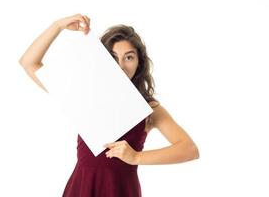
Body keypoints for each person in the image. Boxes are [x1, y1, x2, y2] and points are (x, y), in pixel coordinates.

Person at [19, 13, 200, 197]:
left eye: (129, 57)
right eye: (113, 58)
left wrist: (136, 157)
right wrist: (58, 25)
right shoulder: (84, 94)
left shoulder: (149, 108)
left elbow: (189, 149)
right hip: (81, 188)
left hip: (121, 190)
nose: (120, 66)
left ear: (139, 63)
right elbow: (29, 63)